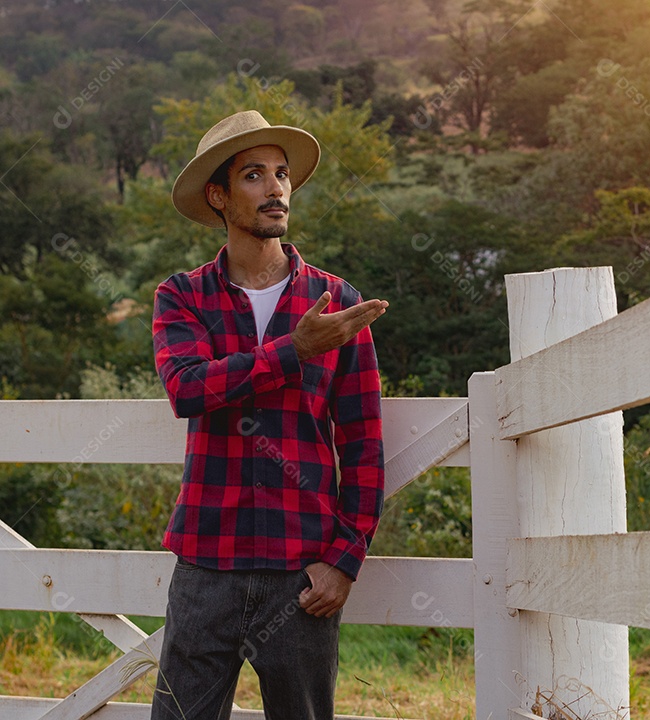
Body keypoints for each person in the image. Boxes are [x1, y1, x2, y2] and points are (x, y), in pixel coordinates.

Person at [150, 110, 388, 719]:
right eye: (253, 175)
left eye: (281, 175)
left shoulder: (339, 304)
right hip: (207, 564)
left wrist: (345, 558)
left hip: (302, 574)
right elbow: (189, 389)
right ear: (219, 196)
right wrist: (294, 350)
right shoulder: (182, 296)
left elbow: (362, 442)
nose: (276, 188)